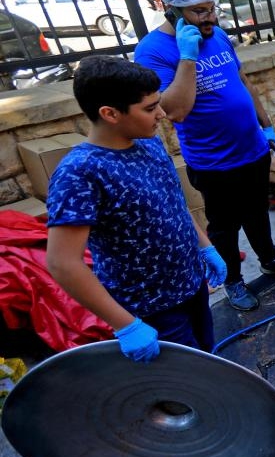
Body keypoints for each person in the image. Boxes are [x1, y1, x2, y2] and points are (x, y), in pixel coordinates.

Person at [134, 0, 275, 313]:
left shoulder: (219, 35)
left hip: (253, 149)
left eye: (212, 8)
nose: (210, 17)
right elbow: (177, 110)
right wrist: (188, 56)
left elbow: (242, 80)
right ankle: (233, 280)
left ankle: (270, 258)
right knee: (224, 226)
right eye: (200, 11)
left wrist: (267, 125)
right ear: (172, 11)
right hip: (214, 161)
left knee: (258, 212)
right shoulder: (152, 52)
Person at [46, 56, 227, 360]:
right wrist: (126, 325)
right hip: (151, 310)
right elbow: (63, 263)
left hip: (192, 285)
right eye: (149, 108)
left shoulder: (149, 143)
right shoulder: (81, 173)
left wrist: (205, 247)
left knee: (206, 358)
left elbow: (174, 204)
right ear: (110, 113)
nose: (161, 114)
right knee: (182, 384)